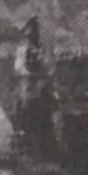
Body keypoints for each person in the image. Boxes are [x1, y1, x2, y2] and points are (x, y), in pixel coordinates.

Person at [13, 17, 60, 163]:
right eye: (29, 34)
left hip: (41, 91)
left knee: (44, 120)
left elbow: (50, 67)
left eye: (34, 33)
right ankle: (30, 151)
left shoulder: (43, 50)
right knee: (28, 119)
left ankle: (46, 153)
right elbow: (20, 68)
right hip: (28, 90)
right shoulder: (22, 50)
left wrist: (42, 73)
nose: (31, 36)